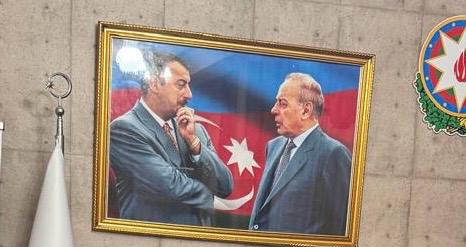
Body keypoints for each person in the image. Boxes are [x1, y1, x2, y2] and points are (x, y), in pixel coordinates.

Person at [110, 51, 233, 226]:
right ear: (154, 83)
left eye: (188, 85)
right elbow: (169, 187)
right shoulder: (124, 129)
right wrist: (208, 193)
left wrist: (194, 144)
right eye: (181, 85)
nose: (189, 94)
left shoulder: (195, 131)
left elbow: (225, 186)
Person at [248, 73, 351, 235]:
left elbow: (341, 228)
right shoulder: (273, 146)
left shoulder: (333, 154)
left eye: (282, 104)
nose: (273, 110)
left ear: (306, 110)